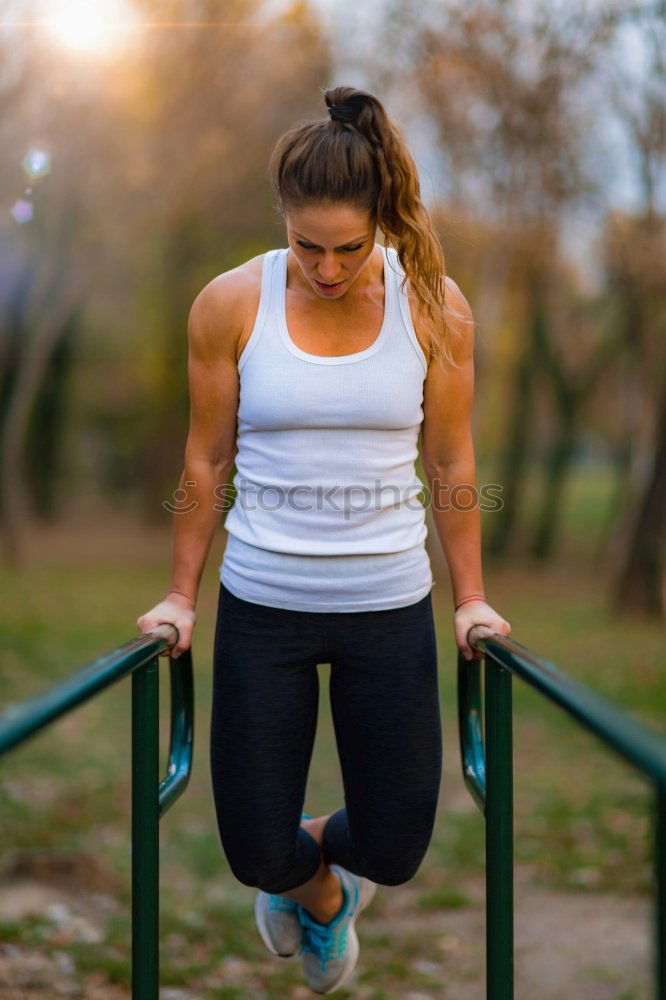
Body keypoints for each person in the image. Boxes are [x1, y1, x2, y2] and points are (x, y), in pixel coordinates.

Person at [137, 85, 511, 995]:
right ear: (281, 218)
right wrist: (183, 594)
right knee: (252, 847)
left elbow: (454, 459)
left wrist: (470, 598)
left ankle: (323, 870)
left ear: (379, 221)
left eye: (350, 247)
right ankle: (317, 895)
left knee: (397, 845)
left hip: (388, 605)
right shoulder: (230, 303)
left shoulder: (435, 306)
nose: (330, 268)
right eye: (309, 246)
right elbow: (205, 458)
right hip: (264, 605)